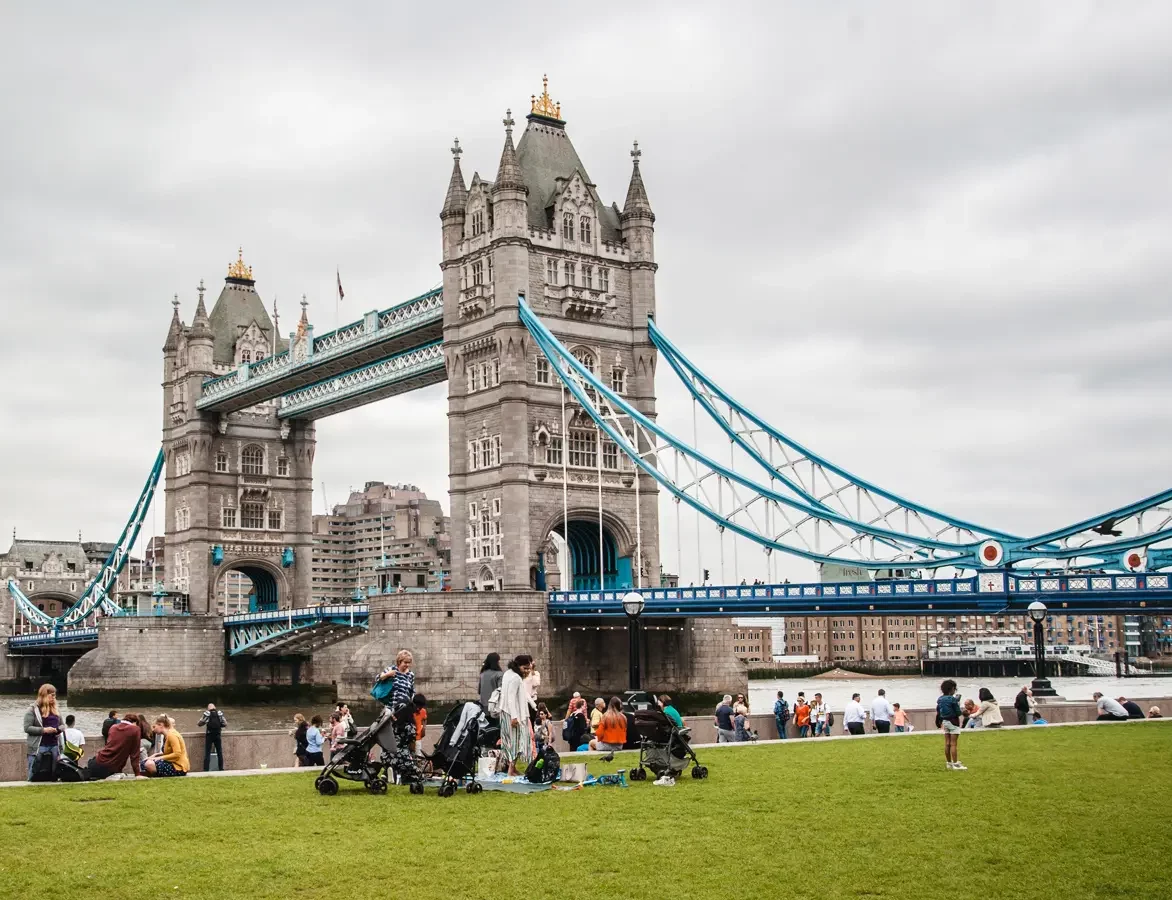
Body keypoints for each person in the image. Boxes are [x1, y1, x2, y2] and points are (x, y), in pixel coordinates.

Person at [499, 654, 535, 775]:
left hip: (505, 712)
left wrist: (534, 705)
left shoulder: (508, 674)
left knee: (508, 742)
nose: (527, 671)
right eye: (525, 668)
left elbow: (522, 693)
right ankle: (511, 770)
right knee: (517, 742)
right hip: (514, 714)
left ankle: (512, 768)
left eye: (529, 668)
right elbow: (511, 698)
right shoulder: (516, 678)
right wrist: (514, 717)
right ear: (518, 666)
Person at [22, 683, 61, 780]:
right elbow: (27, 728)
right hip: (38, 746)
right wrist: (44, 730)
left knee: (53, 773)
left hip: (54, 745)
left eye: (55, 695)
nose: (54, 698)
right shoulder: (32, 710)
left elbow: (63, 725)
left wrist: (58, 730)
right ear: (44, 695)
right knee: (34, 772)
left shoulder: (55, 709)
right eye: (52, 695)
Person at [937, 679, 965, 770]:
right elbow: (958, 712)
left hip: (945, 721)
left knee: (947, 743)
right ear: (952, 689)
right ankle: (956, 763)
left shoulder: (940, 699)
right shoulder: (952, 699)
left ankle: (949, 762)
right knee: (954, 744)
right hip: (953, 721)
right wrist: (957, 703)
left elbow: (939, 709)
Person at [197, 703, 227, 771]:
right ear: (215, 707)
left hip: (209, 735)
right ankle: (221, 768)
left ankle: (206, 769)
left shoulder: (207, 714)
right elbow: (225, 723)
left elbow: (199, 723)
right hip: (217, 734)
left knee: (207, 753)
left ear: (208, 708)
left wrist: (205, 722)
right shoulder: (219, 713)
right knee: (219, 752)